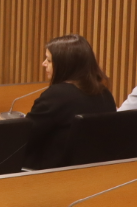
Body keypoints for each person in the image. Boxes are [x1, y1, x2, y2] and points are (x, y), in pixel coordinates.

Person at [24, 34, 117, 170]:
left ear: (65, 65)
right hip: (94, 173)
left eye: (49, 60)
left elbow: (25, 138)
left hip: (49, 174)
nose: (43, 64)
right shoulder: (105, 93)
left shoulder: (56, 95)